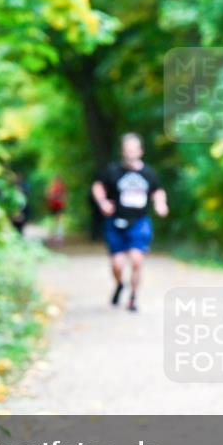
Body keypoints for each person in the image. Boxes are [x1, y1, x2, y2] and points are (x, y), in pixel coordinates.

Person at [91, 132, 169, 312]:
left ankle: (133, 298)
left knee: (136, 261)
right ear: (122, 152)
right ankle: (119, 284)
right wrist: (103, 202)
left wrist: (160, 203)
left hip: (139, 222)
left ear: (140, 151)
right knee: (117, 264)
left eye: (133, 150)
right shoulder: (113, 171)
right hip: (116, 223)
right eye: (127, 150)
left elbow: (157, 190)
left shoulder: (148, 173)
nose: (130, 153)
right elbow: (98, 186)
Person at [45, 175, 67, 244]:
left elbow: (48, 195)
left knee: (57, 220)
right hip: (56, 206)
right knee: (57, 220)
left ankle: (57, 236)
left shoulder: (53, 186)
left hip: (57, 206)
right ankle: (57, 236)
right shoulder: (58, 186)